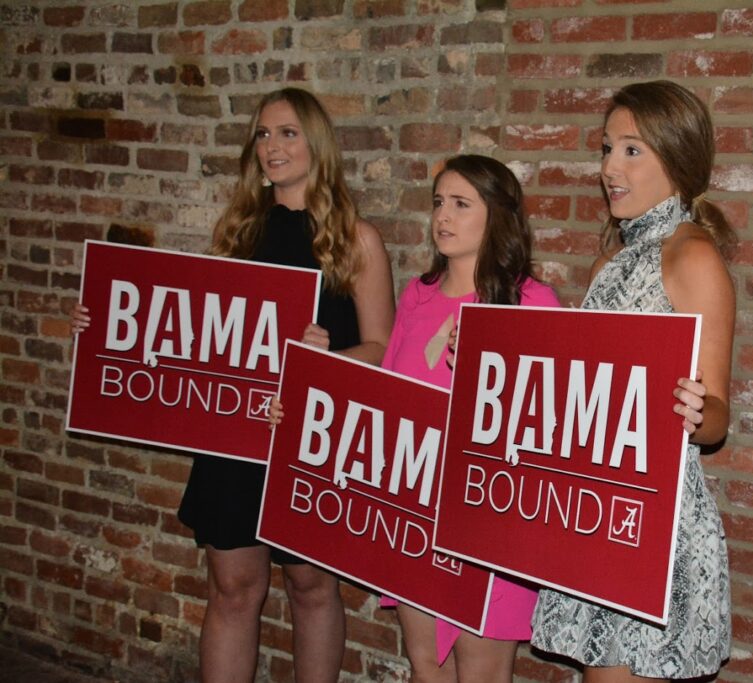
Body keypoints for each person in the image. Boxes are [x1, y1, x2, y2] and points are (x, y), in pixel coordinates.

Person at [72, 87, 395, 683]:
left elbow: (381, 348)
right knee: (232, 588)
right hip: (237, 432)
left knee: (312, 585)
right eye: (264, 134)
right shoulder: (238, 230)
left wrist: (326, 363)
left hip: (309, 434)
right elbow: (195, 330)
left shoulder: (356, 238)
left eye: (288, 133)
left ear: (317, 143)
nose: (272, 147)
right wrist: (107, 324)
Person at [529, 80, 736, 681]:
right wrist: (498, 365)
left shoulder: (691, 256)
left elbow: (719, 414)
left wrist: (697, 410)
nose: (609, 168)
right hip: (602, 510)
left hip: (659, 526)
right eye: (605, 149)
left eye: (631, 150)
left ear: (677, 159)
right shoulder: (608, 262)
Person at [384, 154, 560, 682]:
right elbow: (384, 398)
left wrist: (491, 375)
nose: (444, 216)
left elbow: (553, 424)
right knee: (425, 669)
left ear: (498, 216)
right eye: (439, 203)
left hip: (490, 524)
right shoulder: (417, 295)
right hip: (415, 512)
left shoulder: (533, 303)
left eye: (462, 204)